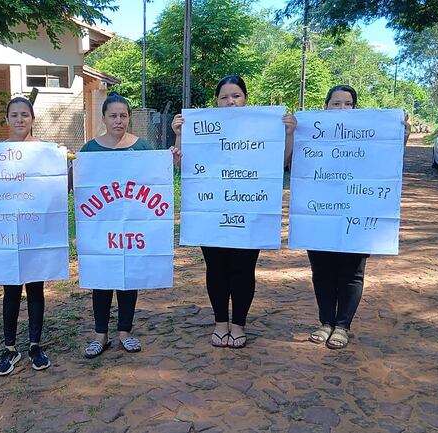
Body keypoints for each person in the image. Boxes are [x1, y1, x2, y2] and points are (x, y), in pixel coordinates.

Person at [171, 75, 297, 349]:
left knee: (243, 269)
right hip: (210, 211)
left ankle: (238, 324)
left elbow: (284, 162)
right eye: (224, 97)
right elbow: (183, 166)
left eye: (236, 96)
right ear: (216, 101)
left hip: (250, 209)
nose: (230, 101)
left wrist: (288, 134)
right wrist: (179, 136)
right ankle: (220, 323)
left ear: (245, 98)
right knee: (215, 268)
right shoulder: (203, 128)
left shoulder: (264, 127)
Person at [306, 85, 409, 349]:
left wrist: (401, 137)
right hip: (319, 212)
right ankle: (325, 322)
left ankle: (342, 326)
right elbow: (290, 161)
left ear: (355, 107)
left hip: (358, 213)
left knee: (352, 273)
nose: (342, 109)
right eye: (336, 103)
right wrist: (291, 131)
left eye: (348, 104)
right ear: (325, 106)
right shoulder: (310, 133)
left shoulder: (368, 135)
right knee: (322, 271)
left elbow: (387, 160)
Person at [80, 92, 181, 358]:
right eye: (112, 116)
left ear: (129, 118)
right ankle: (100, 335)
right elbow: (76, 186)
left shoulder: (142, 147)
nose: (118, 121)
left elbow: (160, 176)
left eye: (123, 115)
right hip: (100, 225)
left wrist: (171, 157)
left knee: (128, 276)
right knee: (101, 278)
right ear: (103, 118)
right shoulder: (90, 149)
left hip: (134, 225)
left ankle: (125, 331)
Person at [0, 97, 51, 376]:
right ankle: (9, 348)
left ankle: (35, 345)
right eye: (14, 115)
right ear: (7, 119)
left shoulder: (44, 152)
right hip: (6, 232)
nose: (20, 120)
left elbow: (57, 187)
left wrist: (64, 163)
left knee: (36, 288)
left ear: (33, 119)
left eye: (25, 115)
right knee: (11, 290)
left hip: (35, 230)